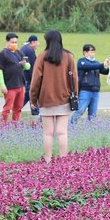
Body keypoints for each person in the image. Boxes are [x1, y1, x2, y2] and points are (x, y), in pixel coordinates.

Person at [29, 30, 78, 161]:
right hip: (64, 98)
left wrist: (33, 99)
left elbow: (35, 81)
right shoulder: (69, 57)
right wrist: (75, 95)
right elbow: (74, 79)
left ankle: (48, 160)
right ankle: (63, 160)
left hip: (46, 99)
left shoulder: (42, 57)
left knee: (48, 133)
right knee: (62, 132)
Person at [72, 44, 110, 124]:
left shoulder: (96, 63)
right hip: (85, 91)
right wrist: (102, 64)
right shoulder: (81, 61)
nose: (93, 53)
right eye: (91, 51)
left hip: (95, 91)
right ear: (85, 52)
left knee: (93, 114)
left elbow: (104, 71)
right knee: (80, 110)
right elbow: (88, 66)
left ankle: (91, 129)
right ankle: (72, 125)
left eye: (94, 51)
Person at [0, 32, 29, 122]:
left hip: (20, 85)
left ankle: (15, 125)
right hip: (10, 86)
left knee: (18, 108)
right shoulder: (2, 54)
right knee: (7, 108)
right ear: (7, 42)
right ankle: (1, 125)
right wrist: (2, 85)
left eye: (16, 42)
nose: (14, 44)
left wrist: (24, 64)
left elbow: (28, 67)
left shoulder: (19, 52)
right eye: (12, 42)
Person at [20, 35, 39, 108]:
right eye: (37, 42)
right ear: (33, 42)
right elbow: (32, 66)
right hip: (28, 78)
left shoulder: (25, 48)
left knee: (29, 95)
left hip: (23, 76)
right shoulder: (30, 51)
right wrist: (34, 78)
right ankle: (17, 109)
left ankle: (35, 111)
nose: (38, 44)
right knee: (29, 94)